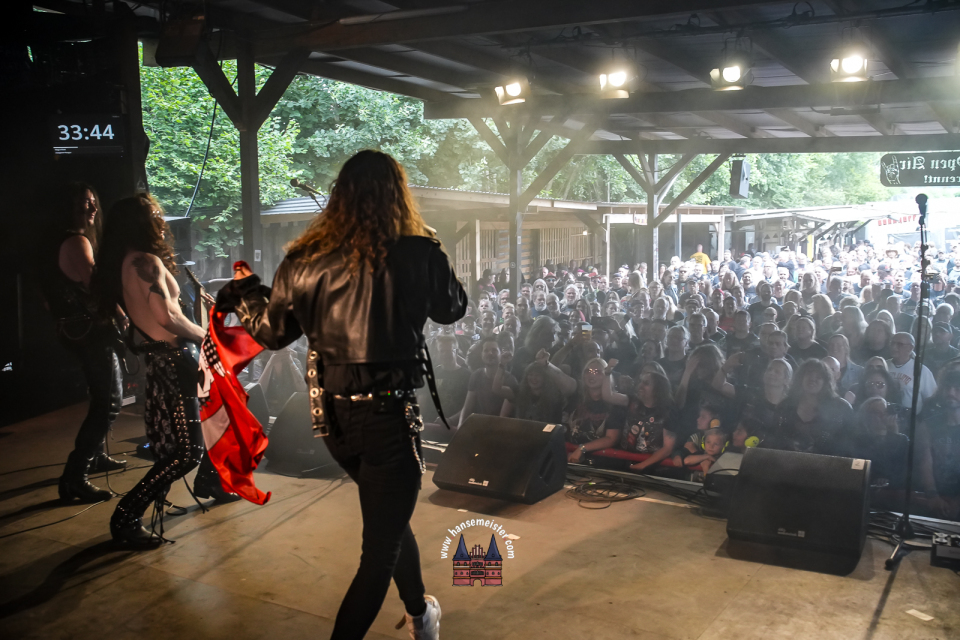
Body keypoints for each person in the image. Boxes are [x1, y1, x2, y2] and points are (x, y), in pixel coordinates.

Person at [219, 151, 465, 639]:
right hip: (388, 419)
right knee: (379, 552)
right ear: (398, 196)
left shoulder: (303, 260)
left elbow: (271, 334)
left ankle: (421, 615)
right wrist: (430, 248)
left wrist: (247, 293)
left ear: (338, 198)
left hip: (332, 422)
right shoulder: (418, 251)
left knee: (389, 522)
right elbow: (452, 308)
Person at [91, 193, 211, 547]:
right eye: (156, 213)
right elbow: (167, 316)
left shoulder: (126, 263)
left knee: (186, 444)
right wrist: (207, 337)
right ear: (143, 223)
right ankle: (126, 515)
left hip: (162, 361)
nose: (161, 218)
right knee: (187, 452)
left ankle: (211, 482)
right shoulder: (146, 261)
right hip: (174, 361)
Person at [41, 183, 126, 505]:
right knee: (109, 402)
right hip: (91, 333)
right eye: (83, 203)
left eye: (93, 202)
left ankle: (95, 456)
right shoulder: (77, 242)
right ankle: (75, 478)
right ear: (69, 207)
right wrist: (123, 317)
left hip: (74, 331)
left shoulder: (54, 241)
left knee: (100, 396)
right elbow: (96, 289)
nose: (91, 208)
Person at [767, 359, 853, 455]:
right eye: (809, 374)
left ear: (825, 381)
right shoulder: (785, 406)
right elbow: (774, 442)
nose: (813, 379)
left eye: (818, 377)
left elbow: (847, 447)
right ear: (800, 378)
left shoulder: (841, 409)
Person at [607, 370, 678, 473]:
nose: (640, 385)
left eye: (646, 383)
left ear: (658, 389)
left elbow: (667, 448)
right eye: (641, 381)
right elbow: (608, 396)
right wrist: (607, 373)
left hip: (652, 468)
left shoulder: (668, 412)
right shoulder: (632, 401)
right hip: (624, 461)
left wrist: (642, 465)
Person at [915, 370, 960, 520]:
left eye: (957, 389)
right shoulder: (928, 425)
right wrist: (933, 496)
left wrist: (958, 502)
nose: (951, 393)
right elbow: (925, 461)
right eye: (947, 388)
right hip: (933, 495)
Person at [887, 332, 937, 411]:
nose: (894, 347)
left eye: (899, 344)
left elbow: (930, 399)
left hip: (912, 417)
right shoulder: (883, 365)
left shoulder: (922, 371)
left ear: (910, 348)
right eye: (892, 343)